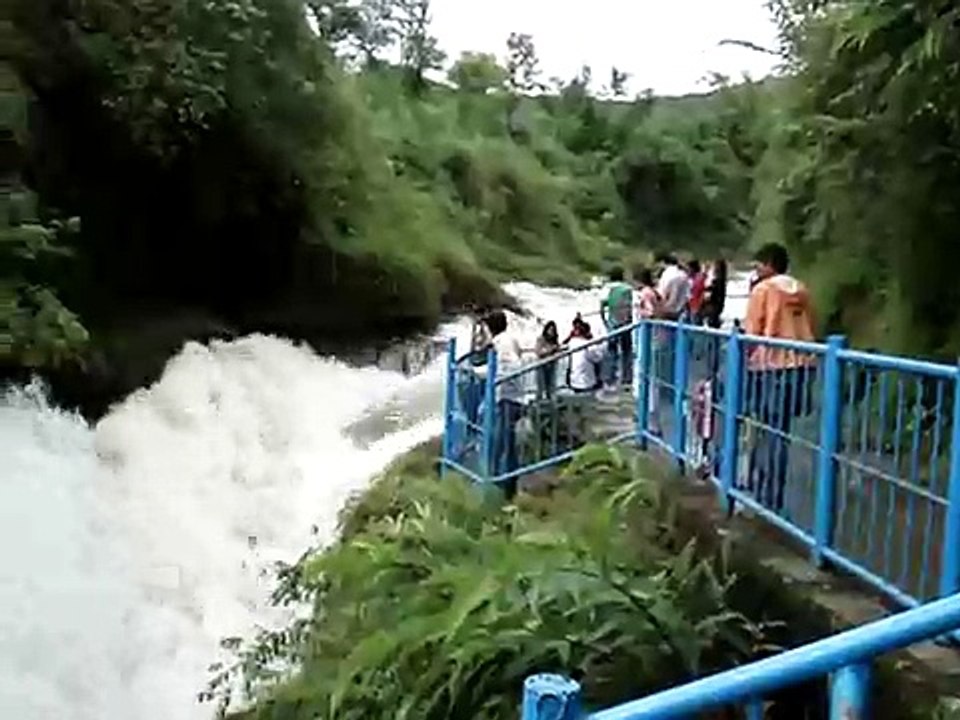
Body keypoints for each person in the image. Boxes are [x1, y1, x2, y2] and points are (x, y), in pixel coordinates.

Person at [743, 243, 817, 515]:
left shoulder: (763, 290)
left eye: (759, 264)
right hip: (801, 365)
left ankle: (762, 490)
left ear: (769, 264)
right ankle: (775, 491)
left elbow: (752, 332)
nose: (756, 269)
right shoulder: (801, 289)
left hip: (769, 365)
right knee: (782, 431)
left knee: (765, 427)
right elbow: (812, 326)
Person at [475, 310, 525, 497]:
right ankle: (502, 481)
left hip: (507, 398)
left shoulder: (501, 342)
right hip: (512, 396)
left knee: (504, 442)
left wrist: (494, 379)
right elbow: (501, 365)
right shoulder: (508, 340)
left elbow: (509, 366)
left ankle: (503, 484)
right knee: (505, 441)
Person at [600, 266, 634, 389]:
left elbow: (602, 306)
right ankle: (627, 378)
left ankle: (609, 378)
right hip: (626, 323)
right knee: (627, 351)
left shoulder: (607, 288)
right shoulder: (627, 288)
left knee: (611, 351)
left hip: (612, 323)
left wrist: (605, 321)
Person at [566, 319, 605, 393]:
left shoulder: (573, 342)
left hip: (574, 379)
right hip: (586, 381)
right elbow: (596, 358)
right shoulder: (588, 344)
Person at [655, 253, 690, 321]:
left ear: (663, 262)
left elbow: (662, 292)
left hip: (666, 309)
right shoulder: (684, 275)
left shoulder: (667, 274)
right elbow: (687, 294)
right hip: (679, 310)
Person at [534, 321, 560, 399]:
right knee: (541, 385)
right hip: (541, 365)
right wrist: (550, 350)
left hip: (551, 365)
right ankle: (539, 400)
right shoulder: (541, 339)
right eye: (550, 330)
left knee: (551, 385)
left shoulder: (554, 341)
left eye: (553, 330)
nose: (551, 332)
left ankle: (550, 398)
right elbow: (538, 352)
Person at [702, 259, 728, 329]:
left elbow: (708, 294)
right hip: (718, 306)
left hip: (713, 306)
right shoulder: (722, 281)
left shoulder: (716, 282)